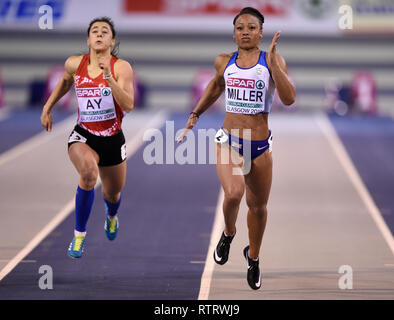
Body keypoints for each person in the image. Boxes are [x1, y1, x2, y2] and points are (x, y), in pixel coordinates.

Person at [178, 7, 295, 290]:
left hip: (260, 144)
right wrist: (195, 114)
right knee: (234, 193)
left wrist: (275, 66)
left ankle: (253, 257)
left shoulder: (272, 60)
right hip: (230, 139)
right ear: (234, 32)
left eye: (251, 27)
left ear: (261, 32)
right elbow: (215, 87)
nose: (245, 32)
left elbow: (289, 99)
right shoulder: (223, 61)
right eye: (240, 27)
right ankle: (229, 233)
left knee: (258, 207)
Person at [40, 17, 134, 259]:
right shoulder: (74, 63)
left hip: (113, 138)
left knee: (112, 194)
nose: (99, 34)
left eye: (105, 31)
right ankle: (79, 235)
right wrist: (47, 108)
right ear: (88, 39)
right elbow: (64, 81)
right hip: (84, 134)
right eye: (95, 31)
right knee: (89, 175)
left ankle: (111, 217)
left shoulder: (121, 67)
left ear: (112, 40)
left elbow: (129, 105)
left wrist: (109, 79)